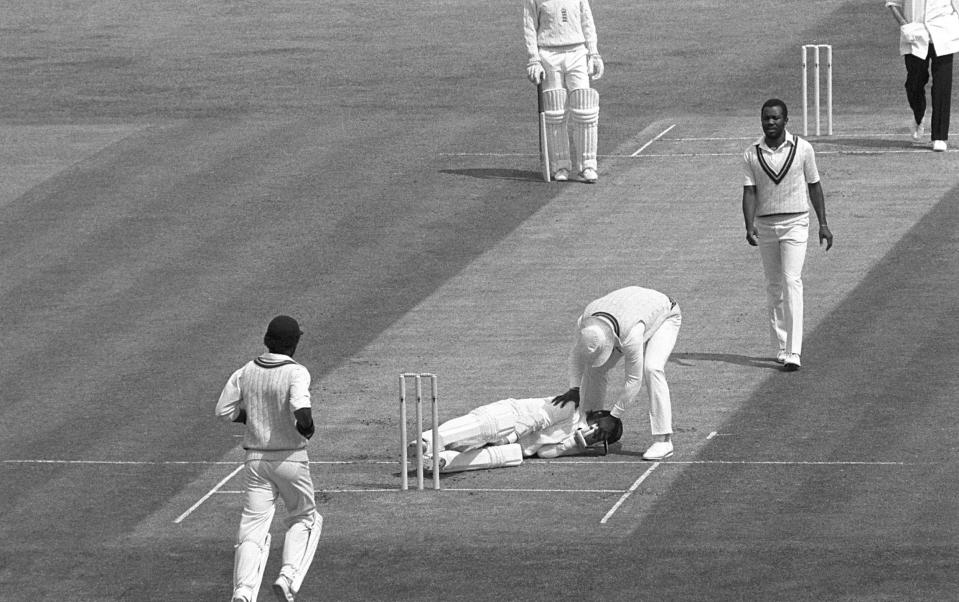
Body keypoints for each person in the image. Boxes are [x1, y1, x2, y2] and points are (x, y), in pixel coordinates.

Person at [215, 315, 322, 602]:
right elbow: (302, 409)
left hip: (255, 461)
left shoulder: (245, 371)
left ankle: (244, 592)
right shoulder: (296, 372)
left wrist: (252, 417)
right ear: (294, 344)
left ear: (267, 340)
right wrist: (307, 429)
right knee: (305, 518)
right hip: (290, 458)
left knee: (252, 527)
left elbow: (224, 410)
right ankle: (287, 577)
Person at [741, 99, 833, 372]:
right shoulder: (751, 153)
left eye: (775, 118)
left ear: (786, 120)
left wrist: (823, 224)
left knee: (792, 280)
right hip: (766, 225)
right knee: (774, 286)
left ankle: (794, 351)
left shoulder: (803, 149)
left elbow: (814, 185)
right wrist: (748, 225)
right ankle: (781, 346)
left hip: (796, 223)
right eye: (766, 118)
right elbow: (749, 191)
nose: (770, 123)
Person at [552, 286, 682, 461]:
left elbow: (633, 380)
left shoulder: (631, 335)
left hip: (665, 313)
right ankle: (588, 424)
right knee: (595, 368)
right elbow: (576, 355)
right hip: (632, 310)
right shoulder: (584, 322)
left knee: (652, 368)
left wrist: (614, 416)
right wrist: (574, 389)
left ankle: (663, 440)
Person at [410, 396, 623, 473]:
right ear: (598, 416)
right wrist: (509, 437)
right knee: (488, 427)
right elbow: (536, 420)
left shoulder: (575, 437)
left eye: (603, 438)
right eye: (602, 430)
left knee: (512, 455)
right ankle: (426, 442)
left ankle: (440, 462)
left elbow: (545, 454)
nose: (599, 436)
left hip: (517, 444)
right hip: (510, 417)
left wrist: (573, 446)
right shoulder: (570, 406)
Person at [523, 0, 604, 182]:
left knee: (585, 108)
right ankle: (560, 165)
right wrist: (533, 59)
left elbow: (587, 21)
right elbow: (529, 27)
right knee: (555, 112)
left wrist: (593, 53)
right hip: (548, 54)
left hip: (577, 51)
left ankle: (588, 165)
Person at [886, 0, 959, 151]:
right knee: (914, 83)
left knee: (942, 86)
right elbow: (892, 3)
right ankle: (919, 114)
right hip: (915, 34)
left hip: (943, 33)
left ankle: (939, 136)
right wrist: (904, 24)